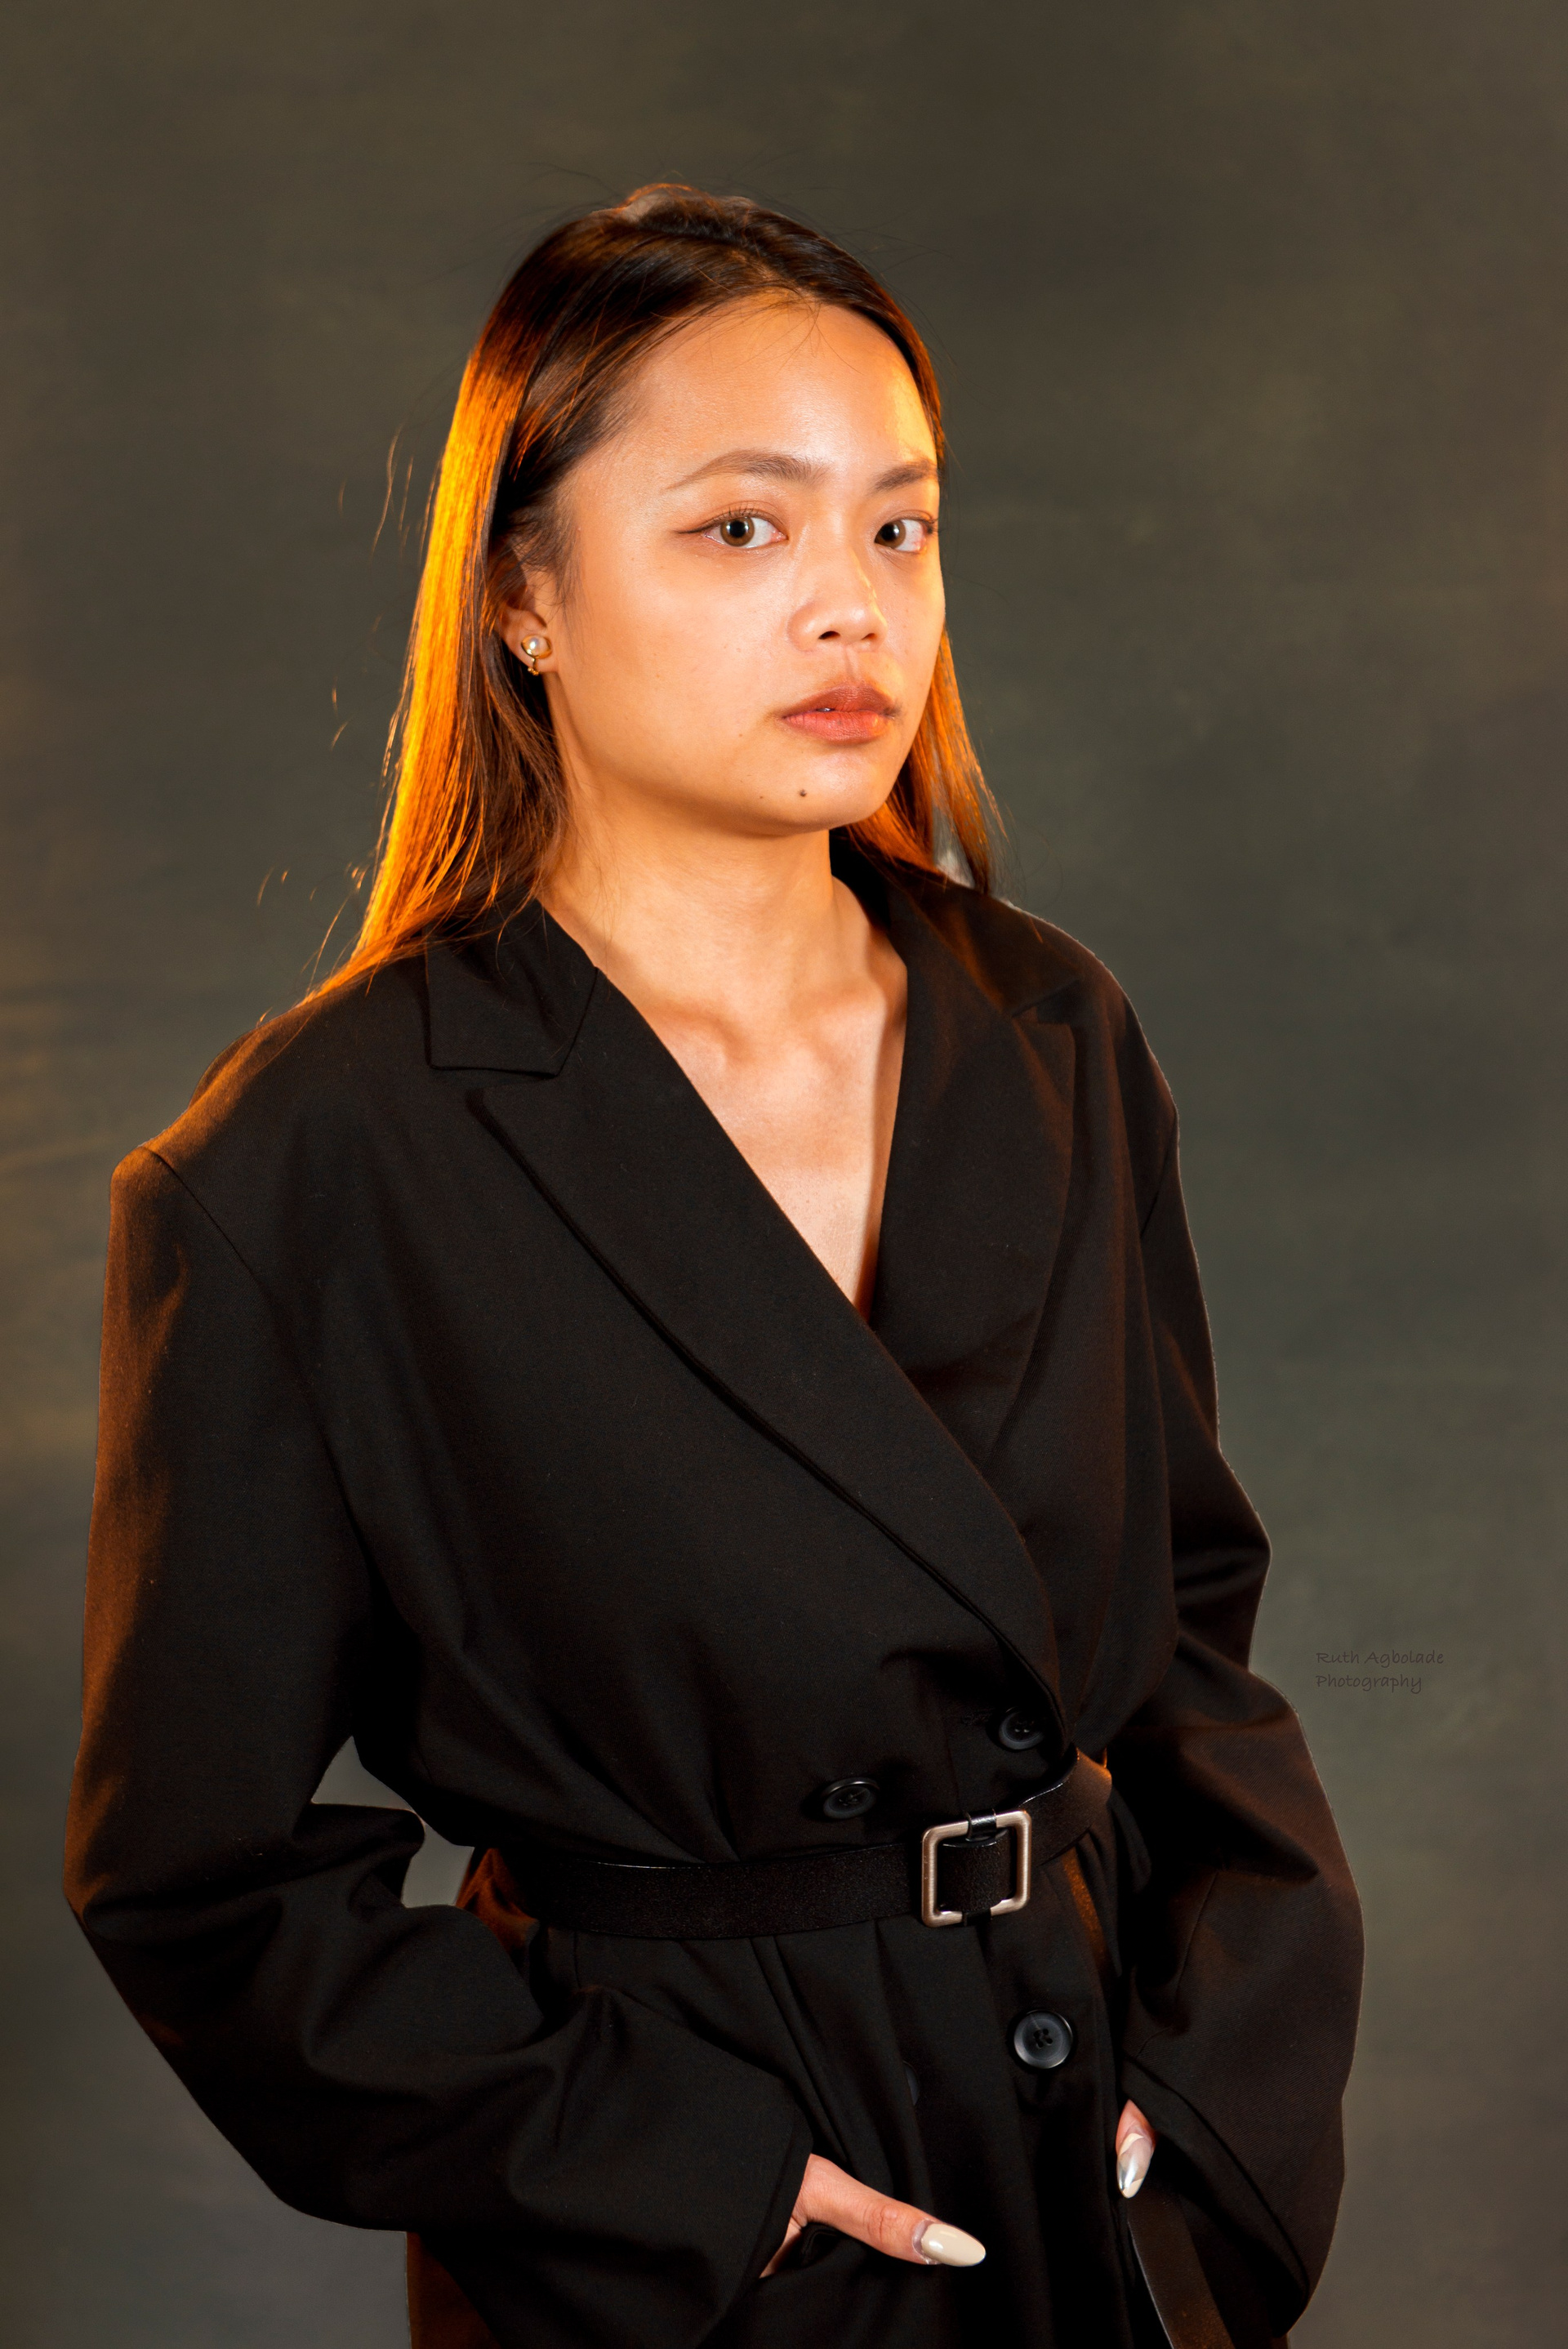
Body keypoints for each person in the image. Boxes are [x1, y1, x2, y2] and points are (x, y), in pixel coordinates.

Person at [65, 185, 1362, 2349]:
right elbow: (191, 1878)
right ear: (524, 598)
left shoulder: (1052, 1033)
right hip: (690, 2245)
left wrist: (1228, 2096)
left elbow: (1190, 1646)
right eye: (744, 528)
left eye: (900, 527)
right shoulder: (312, 1164)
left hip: (1091, 2179)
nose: (853, 604)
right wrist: (687, 2185)